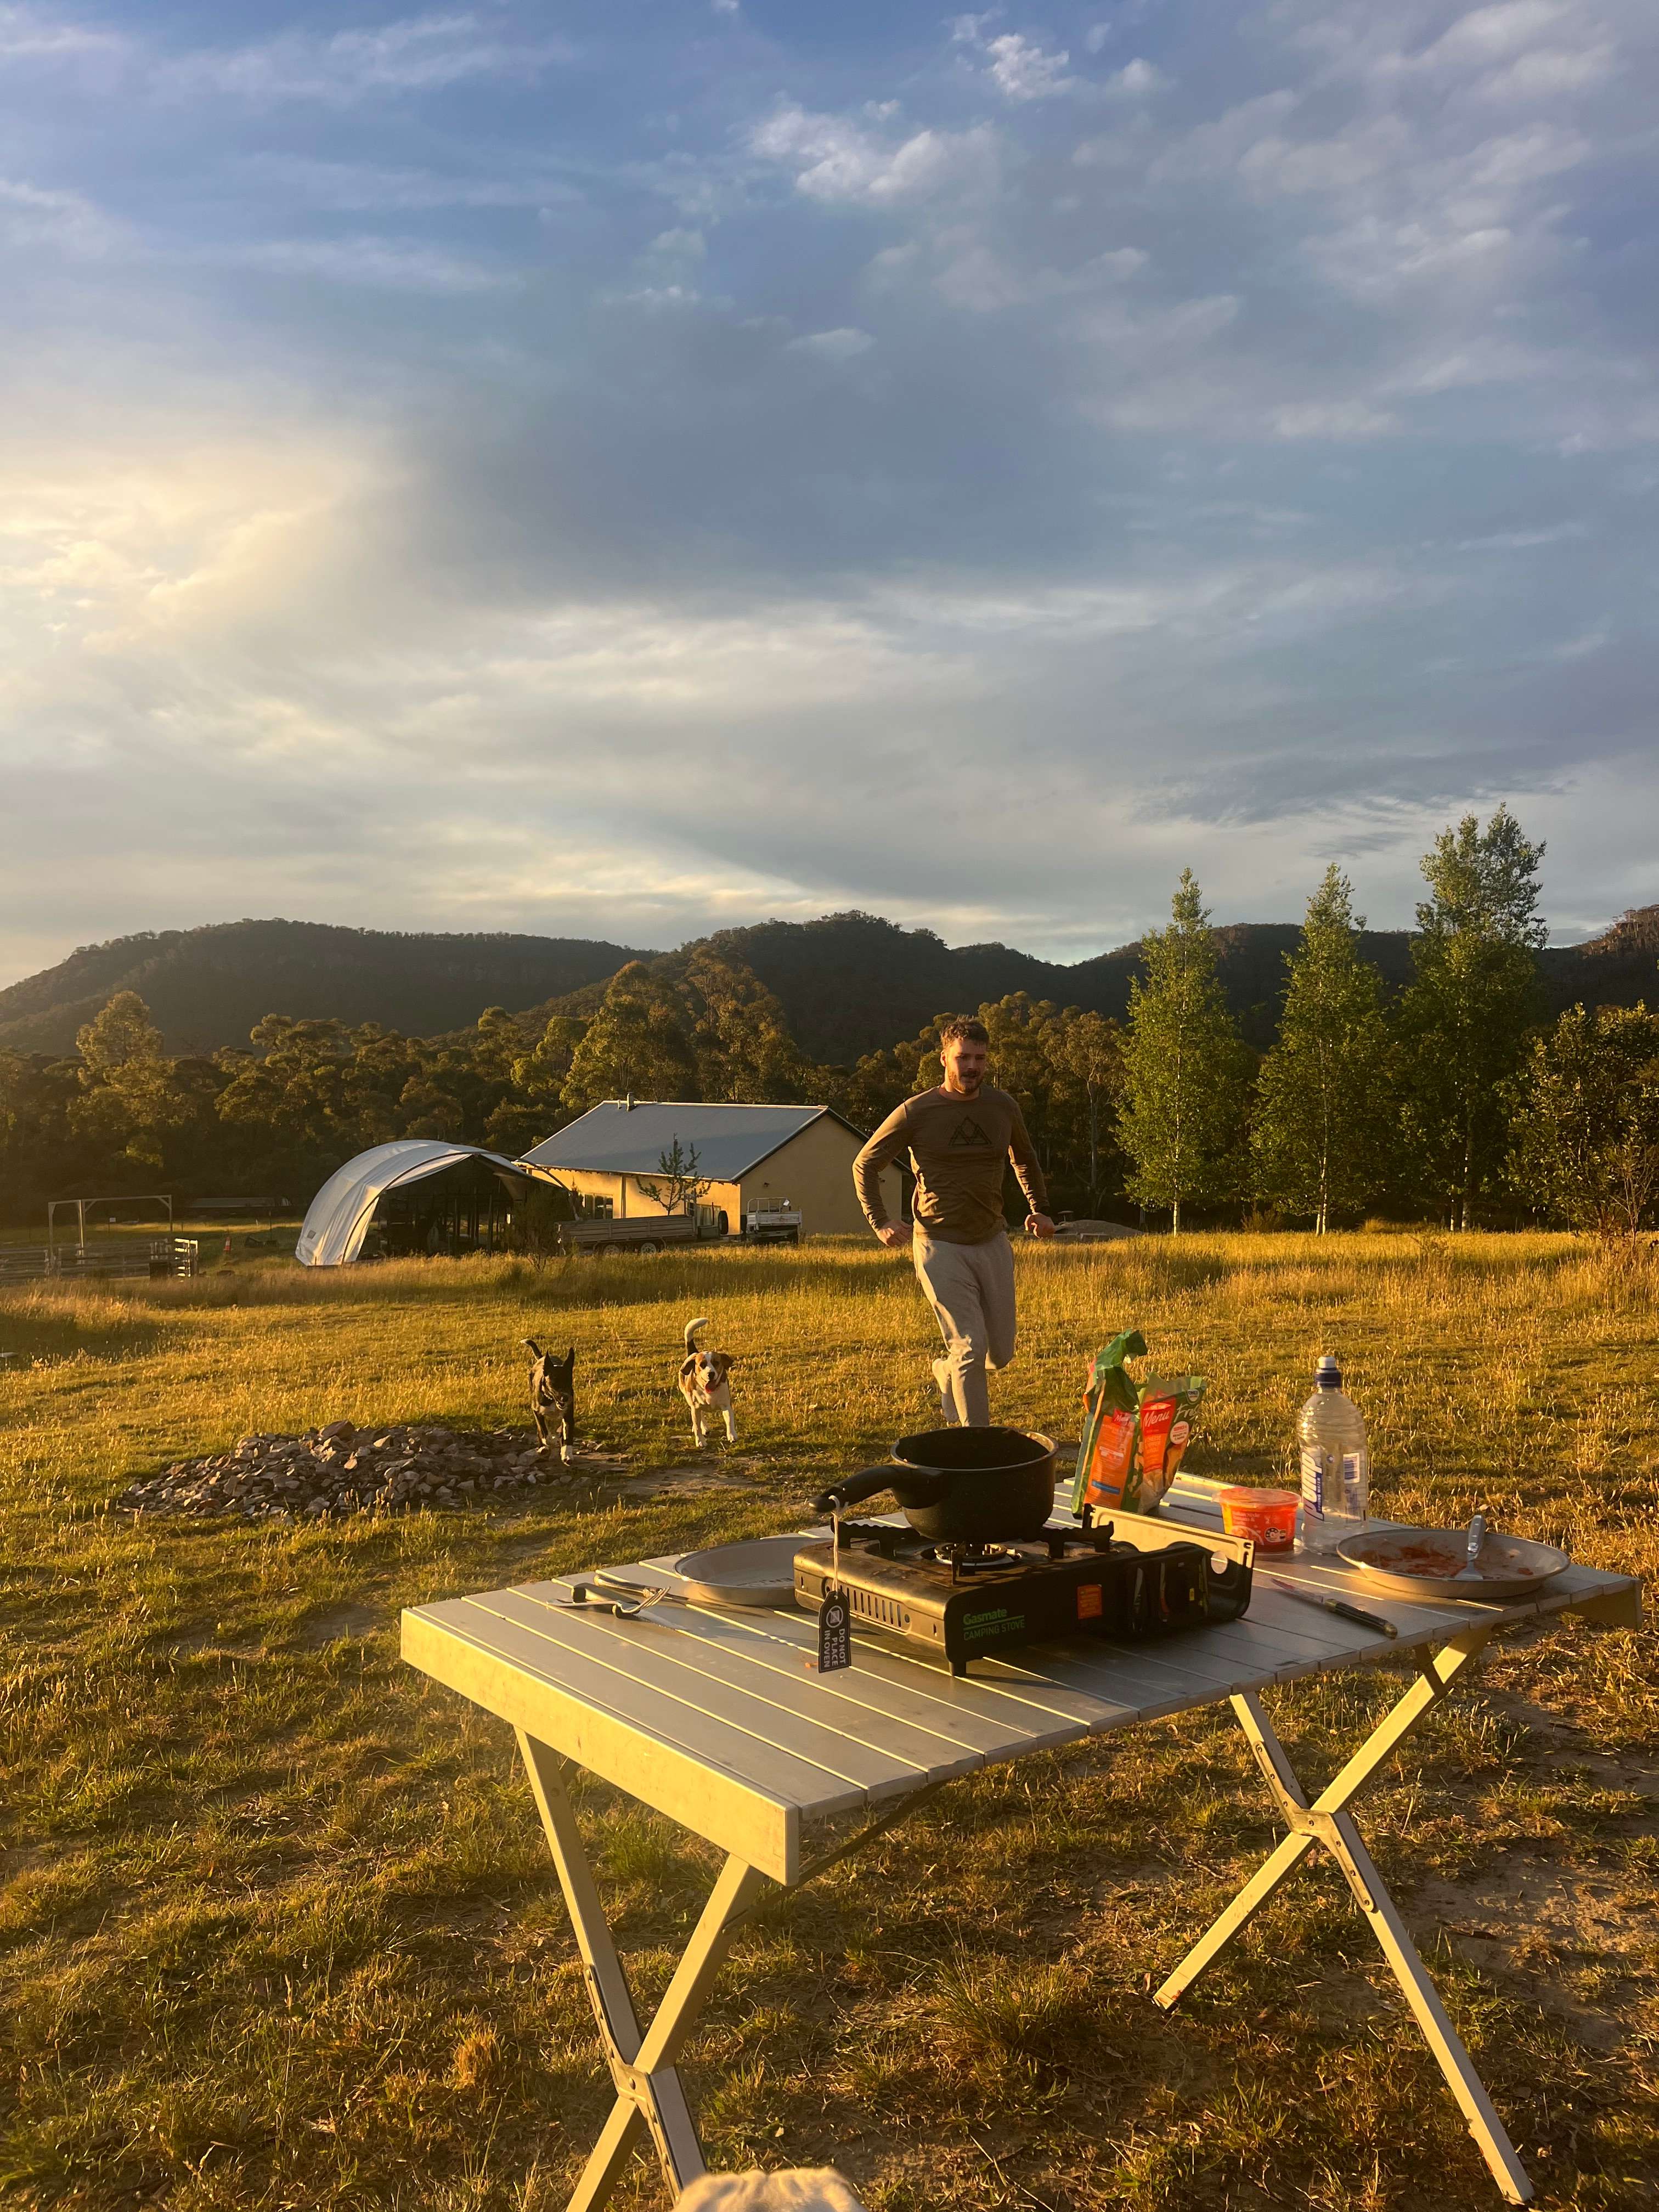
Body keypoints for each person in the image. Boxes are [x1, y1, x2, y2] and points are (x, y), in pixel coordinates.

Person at [852, 1017, 1055, 1427]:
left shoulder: (1002, 1107)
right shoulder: (916, 1111)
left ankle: (946, 1372)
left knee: (1000, 1354)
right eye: (963, 1057)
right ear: (944, 1058)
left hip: (991, 1240)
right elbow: (865, 1164)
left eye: (980, 1058)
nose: (972, 1066)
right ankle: (976, 1444)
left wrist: (1039, 1207)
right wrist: (881, 1221)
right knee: (969, 1346)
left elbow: (1025, 1160)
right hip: (939, 1243)